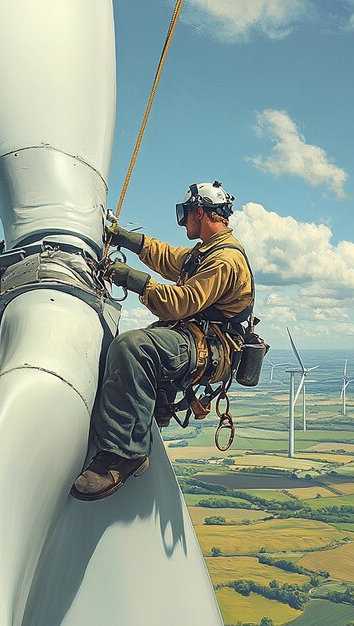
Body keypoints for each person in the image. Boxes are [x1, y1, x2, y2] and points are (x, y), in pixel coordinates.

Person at [71, 181, 254, 501]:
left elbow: (182, 303)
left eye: (185, 214)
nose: (183, 221)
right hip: (198, 339)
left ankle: (124, 454)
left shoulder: (224, 260)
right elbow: (169, 258)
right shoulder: (207, 251)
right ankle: (150, 410)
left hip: (211, 349)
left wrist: (133, 280)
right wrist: (127, 240)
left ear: (200, 212)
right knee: (142, 340)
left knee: (133, 347)